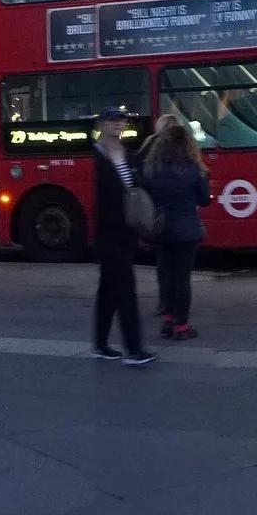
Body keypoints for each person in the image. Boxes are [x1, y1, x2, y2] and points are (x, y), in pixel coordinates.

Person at [89, 113, 154, 365]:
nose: (118, 123)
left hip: (127, 231)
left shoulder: (128, 154)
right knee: (126, 288)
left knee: (108, 289)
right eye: (113, 120)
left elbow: (137, 186)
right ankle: (134, 350)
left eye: (122, 120)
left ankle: (100, 344)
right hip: (108, 233)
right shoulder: (95, 156)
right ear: (102, 125)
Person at [139, 113, 211, 341]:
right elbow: (204, 199)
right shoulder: (193, 168)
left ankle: (168, 320)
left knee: (168, 276)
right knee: (183, 279)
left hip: (161, 230)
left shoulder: (153, 168)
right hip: (188, 231)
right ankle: (182, 326)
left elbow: (145, 194)